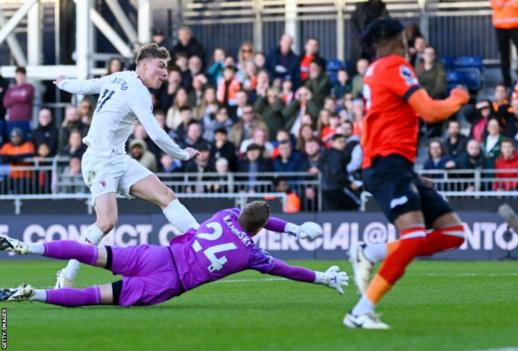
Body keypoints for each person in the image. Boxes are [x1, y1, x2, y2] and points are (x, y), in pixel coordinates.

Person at [344, 18, 469, 329]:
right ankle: (360, 312)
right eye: (404, 38)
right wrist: (458, 98)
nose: (408, 44)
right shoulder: (394, 64)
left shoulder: (374, 70)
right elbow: (431, 111)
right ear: (396, 40)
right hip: (387, 164)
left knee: (453, 235)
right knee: (412, 238)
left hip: (396, 166)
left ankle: (369, 251)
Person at [0, 201, 348, 306]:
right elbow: (287, 269)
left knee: (95, 253)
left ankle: (24, 245)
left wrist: (290, 227)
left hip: (156, 255)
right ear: (259, 229)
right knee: (96, 296)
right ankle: (35, 295)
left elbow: (257, 218)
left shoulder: (224, 214)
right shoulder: (252, 254)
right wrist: (322, 277)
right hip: (169, 281)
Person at [52, 43, 201, 289]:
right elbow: (155, 133)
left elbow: (87, 86)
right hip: (100, 160)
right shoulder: (138, 91)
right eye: (160, 66)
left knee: (166, 196)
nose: (165, 73)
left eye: (166, 68)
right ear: (143, 65)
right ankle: (66, 276)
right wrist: (182, 154)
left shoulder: (120, 77)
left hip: (119, 158)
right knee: (106, 222)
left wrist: (63, 83)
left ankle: (204, 243)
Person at [489, 0, 518, 87]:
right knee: (504, 55)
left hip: (515, 25)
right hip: (500, 26)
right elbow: (495, 4)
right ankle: (506, 81)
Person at [320, 134, 360, 211]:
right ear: (333, 143)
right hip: (336, 188)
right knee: (356, 206)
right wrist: (349, 183)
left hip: (326, 188)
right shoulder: (336, 155)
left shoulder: (327, 153)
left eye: (344, 141)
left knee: (333, 213)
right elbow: (336, 173)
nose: (342, 144)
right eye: (339, 141)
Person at [2, 67, 34, 137]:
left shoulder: (29, 87)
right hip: (12, 120)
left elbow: (25, 97)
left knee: (25, 141)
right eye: (18, 75)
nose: (20, 77)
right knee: (12, 142)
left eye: (22, 75)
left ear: (25, 76)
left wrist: (13, 98)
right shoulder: (11, 89)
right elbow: (5, 102)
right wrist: (20, 97)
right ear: (15, 76)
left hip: (25, 119)